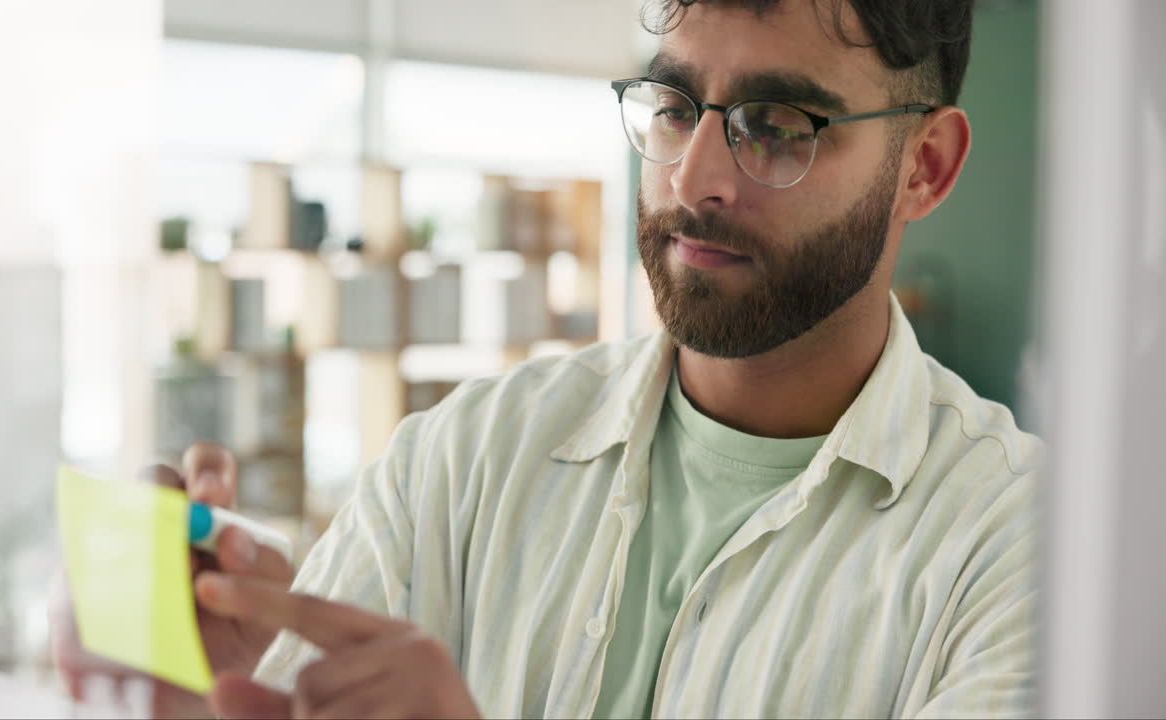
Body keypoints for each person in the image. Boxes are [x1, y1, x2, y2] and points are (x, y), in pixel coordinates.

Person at [53, 0, 1042, 717]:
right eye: (669, 106)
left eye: (775, 128)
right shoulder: (457, 461)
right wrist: (200, 683)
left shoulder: (1031, 551)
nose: (692, 177)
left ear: (923, 167)